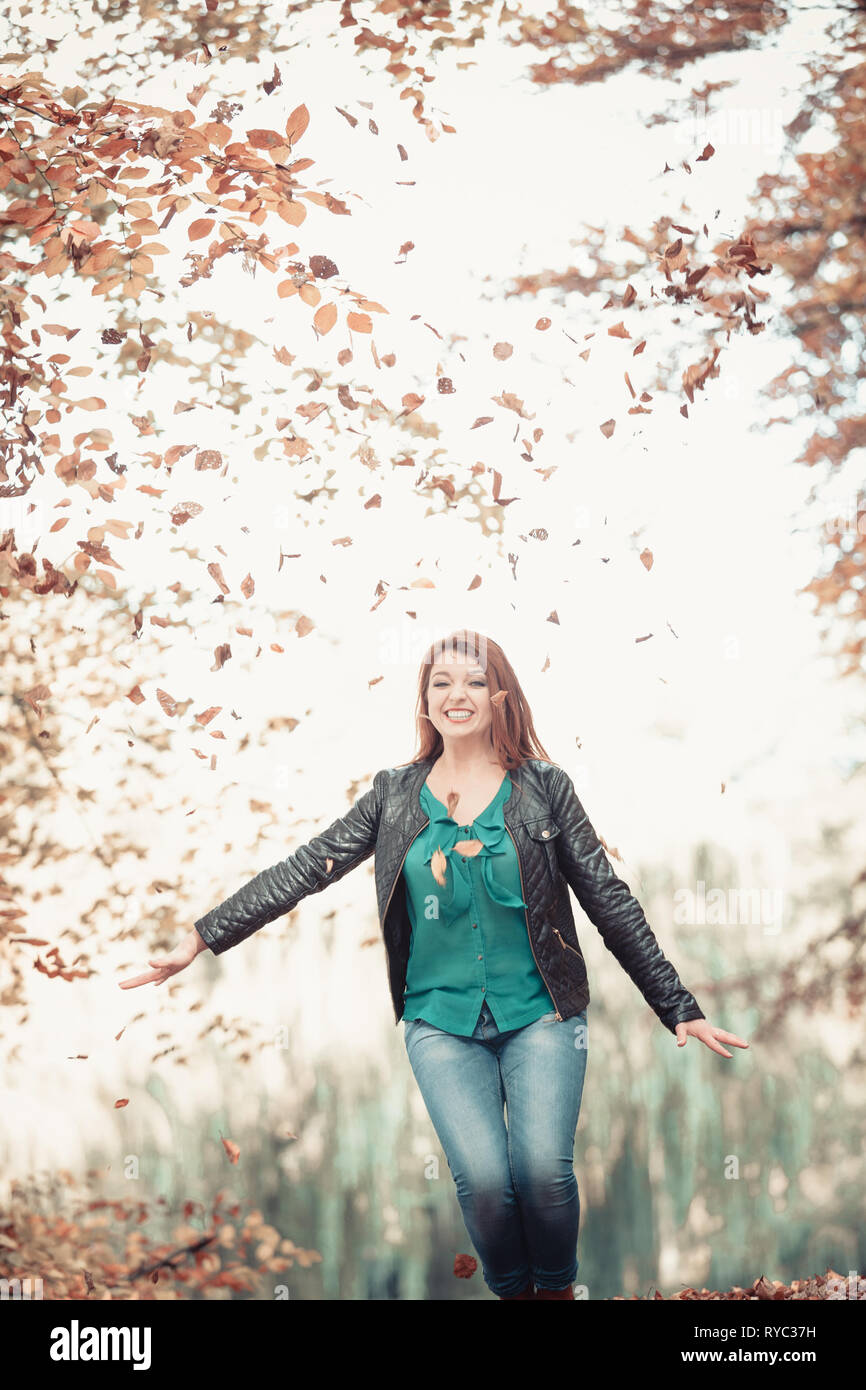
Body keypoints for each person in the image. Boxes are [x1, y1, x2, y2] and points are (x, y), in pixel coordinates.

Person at [121, 627, 748, 1300]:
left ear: (501, 695)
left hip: (542, 1012)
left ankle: (558, 1292)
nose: (458, 695)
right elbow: (308, 866)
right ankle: (515, 1293)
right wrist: (202, 934)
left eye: (475, 682)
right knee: (483, 1183)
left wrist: (678, 1006)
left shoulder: (544, 788)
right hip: (439, 1021)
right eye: (441, 683)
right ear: (424, 700)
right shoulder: (394, 796)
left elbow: (607, 899)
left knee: (541, 1172)